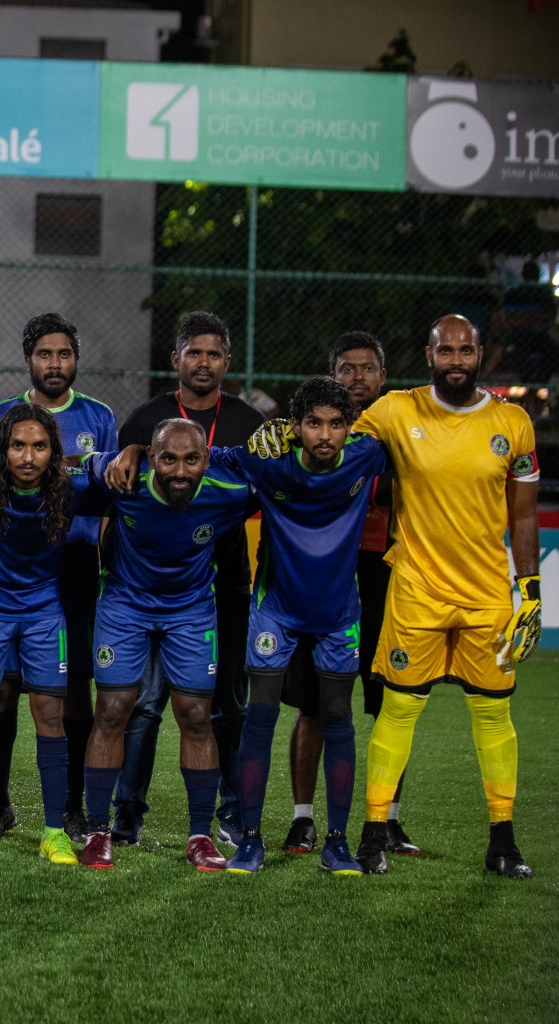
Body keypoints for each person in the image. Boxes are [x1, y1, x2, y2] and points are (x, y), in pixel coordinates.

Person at [251, 315, 541, 878]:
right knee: (393, 707)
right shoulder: (395, 410)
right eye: (445, 350)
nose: (456, 360)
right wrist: (283, 429)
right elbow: (329, 433)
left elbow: (524, 513)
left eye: (466, 350)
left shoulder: (514, 422)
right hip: (414, 590)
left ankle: (502, 840)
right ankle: (369, 832)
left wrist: (529, 589)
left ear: (480, 354)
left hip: (487, 596)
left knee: (492, 713)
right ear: (428, 355)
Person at [185, 376, 387, 876]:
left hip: (339, 614)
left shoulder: (367, 455)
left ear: (349, 427)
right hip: (275, 610)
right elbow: (203, 457)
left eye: (336, 424)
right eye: (312, 423)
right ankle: (250, 840)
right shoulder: (268, 459)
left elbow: (413, 436)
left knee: (338, 718)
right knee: (260, 717)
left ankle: (336, 843)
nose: (325, 434)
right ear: (295, 427)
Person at [112, 311, 264, 847]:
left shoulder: (249, 424)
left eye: (214, 353)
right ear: (175, 359)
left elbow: (265, 490)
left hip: (225, 584)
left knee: (227, 703)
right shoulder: (144, 420)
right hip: (150, 586)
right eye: (193, 353)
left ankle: (229, 810)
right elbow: (118, 487)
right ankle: (127, 811)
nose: (203, 362)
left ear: (227, 361)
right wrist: (130, 450)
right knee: (142, 702)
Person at [77, 419, 253, 871]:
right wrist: (124, 452)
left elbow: (275, 476)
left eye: (191, 459)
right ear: (151, 458)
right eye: (168, 459)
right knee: (113, 711)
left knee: (196, 716)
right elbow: (73, 464)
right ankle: (99, 831)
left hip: (191, 610)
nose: (180, 471)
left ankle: (199, 836)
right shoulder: (123, 479)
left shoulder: (229, 492)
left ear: (206, 460)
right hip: (124, 605)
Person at [0, 313, 117, 843]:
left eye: (64, 354)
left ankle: (73, 804)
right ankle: (0, 804)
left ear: (75, 359)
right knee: (2, 691)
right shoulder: (0, 417)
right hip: (12, 570)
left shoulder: (99, 417)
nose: (55, 364)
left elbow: (109, 496)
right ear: (28, 359)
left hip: (73, 571)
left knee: (73, 691)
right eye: (44, 354)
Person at [279, 332, 417, 857]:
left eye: (367, 369)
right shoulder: (306, 433)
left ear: (383, 377)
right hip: (322, 577)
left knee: (390, 704)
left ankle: (389, 821)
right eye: (346, 368)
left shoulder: (402, 434)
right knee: (314, 705)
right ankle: (302, 819)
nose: (357, 377)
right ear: (331, 375)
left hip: (386, 577)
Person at [0, 403, 92, 865]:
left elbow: (110, 467)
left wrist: (131, 452)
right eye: (18, 446)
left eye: (40, 446)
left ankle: (53, 831)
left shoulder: (72, 486)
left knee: (50, 716)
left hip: (45, 610)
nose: (28, 457)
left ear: (54, 452)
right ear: (2, 450)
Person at [485, 260, 557, 383]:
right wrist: (529, 319)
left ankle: (538, 386)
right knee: (519, 353)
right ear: (524, 275)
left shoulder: (543, 294)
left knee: (552, 352)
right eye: (529, 273)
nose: (531, 276)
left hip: (538, 334)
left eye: (533, 273)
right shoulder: (515, 294)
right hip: (519, 334)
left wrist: (529, 319)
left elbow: (547, 318)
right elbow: (511, 319)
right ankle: (528, 384)